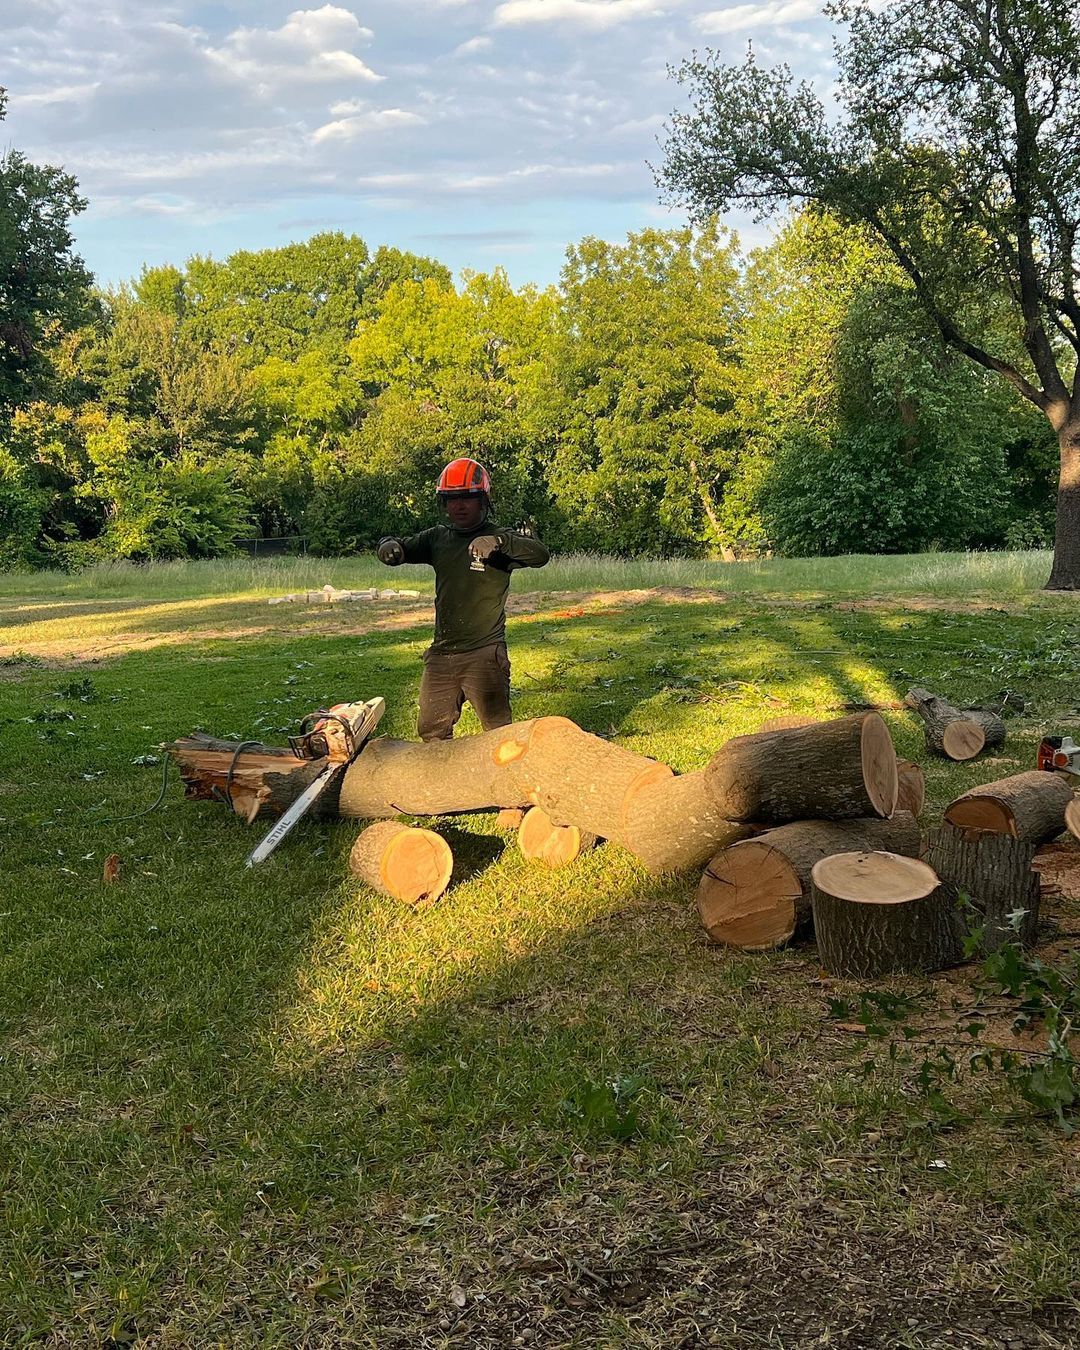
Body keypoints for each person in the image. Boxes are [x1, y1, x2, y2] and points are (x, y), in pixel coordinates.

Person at [376, 458, 549, 740]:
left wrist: (499, 543)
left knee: (498, 735)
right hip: (442, 655)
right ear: (443, 504)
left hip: (484, 653)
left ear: (483, 501)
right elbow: (397, 546)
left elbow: (540, 555)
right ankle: (443, 782)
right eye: (451, 499)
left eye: (467, 498)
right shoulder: (437, 538)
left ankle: (501, 782)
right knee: (431, 732)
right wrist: (387, 546)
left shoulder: (500, 539)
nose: (458, 506)